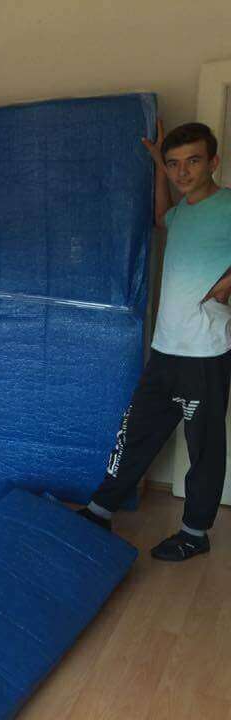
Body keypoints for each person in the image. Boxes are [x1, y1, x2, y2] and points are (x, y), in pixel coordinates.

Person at [78, 120, 231, 561]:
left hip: (205, 353)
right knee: (137, 431)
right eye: (174, 164)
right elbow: (162, 219)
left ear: (214, 162)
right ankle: (100, 510)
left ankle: (194, 533)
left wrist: (227, 282)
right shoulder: (183, 212)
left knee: (204, 448)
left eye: (192, 161)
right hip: (166, 349)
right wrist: (157, 168)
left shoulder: (227, 204)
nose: (182, 172)